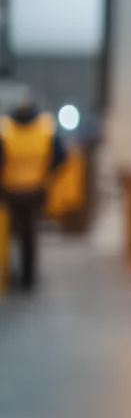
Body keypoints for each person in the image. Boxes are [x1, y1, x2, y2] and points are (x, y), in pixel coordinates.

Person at [0, 95, 68, 291]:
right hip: (35, 191)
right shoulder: (44, 127)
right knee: (30, 236)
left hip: (9, 191)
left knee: (7, 235)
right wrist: (46, 174)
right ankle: (28, 279)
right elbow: (61, 156)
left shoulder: (6, 129)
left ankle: (7, 274)